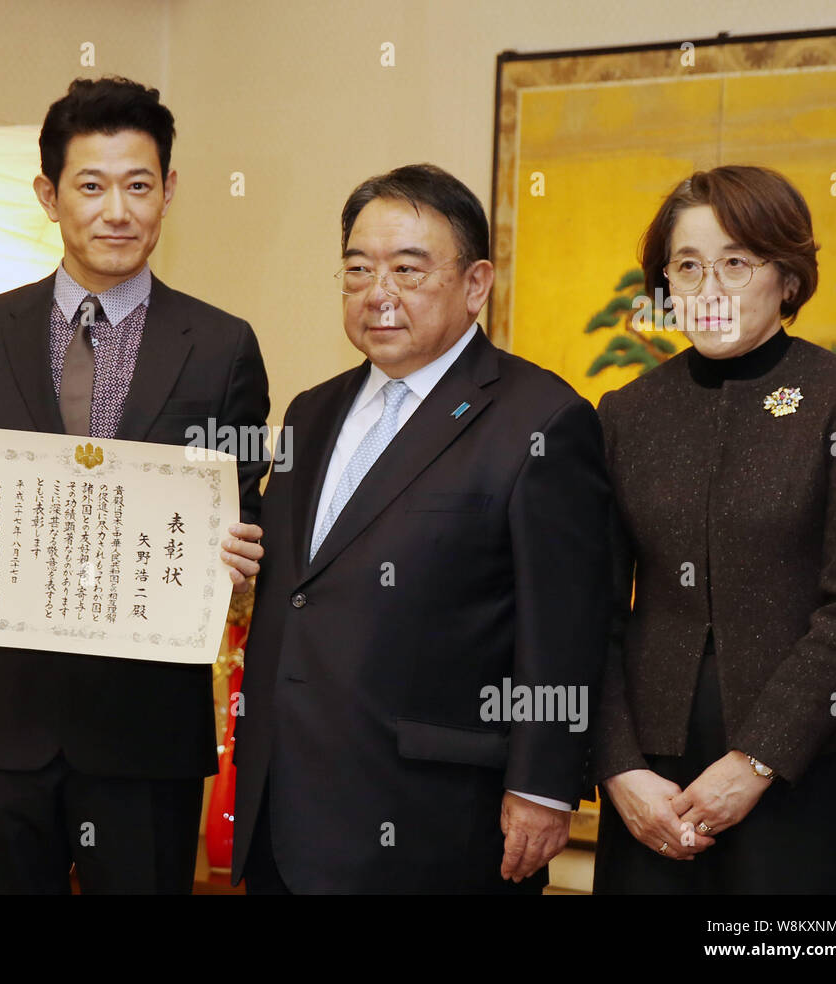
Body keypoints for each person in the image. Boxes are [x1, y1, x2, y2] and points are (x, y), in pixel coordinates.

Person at [0, 77, 270, 894]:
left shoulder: (221, 346)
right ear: (48, 195)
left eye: (139, 185)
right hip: (2, 721)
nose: (117, 211)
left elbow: (246, 506)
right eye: (91, 186)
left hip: (144, 730)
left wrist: (247, 547)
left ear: (169, 191)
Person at [230, 163, 611, 893]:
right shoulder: (311, 412)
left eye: (408, 269)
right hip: (284, 806)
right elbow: (306, 586)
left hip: (435, 820)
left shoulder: (541, 420)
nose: (380, 292)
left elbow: (565, 626)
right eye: (359, 268)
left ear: (475, 285)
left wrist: (544, 785)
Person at [592, 164, 836, 894]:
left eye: (735, 262)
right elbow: (588, 610)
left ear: (787, 278)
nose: (709, 289)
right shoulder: (627, 413)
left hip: (798, 765)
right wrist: (619, 767)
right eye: (687, 267)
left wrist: (757, 759)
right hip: (648, 773)